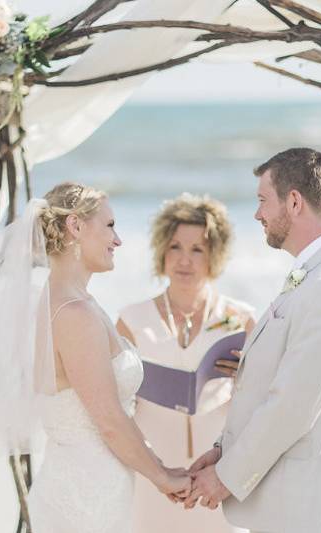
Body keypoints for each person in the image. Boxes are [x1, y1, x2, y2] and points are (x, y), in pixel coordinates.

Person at [0, 182, 192, 533]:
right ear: (75, 226)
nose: (117, 240)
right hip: (86, 496)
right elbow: (109, 421)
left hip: (89, 484)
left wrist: (159, 467)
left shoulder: (66, 302)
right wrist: (162, 476)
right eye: (109, 226)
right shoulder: (74, 313)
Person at [186, 148, 321, 533]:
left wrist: (227, 476)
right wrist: (225, 450)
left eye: (262, 201)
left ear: (293, 202)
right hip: (287, 501)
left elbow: (291, 405)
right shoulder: (315, 273)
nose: (257, 214)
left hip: (307, 508)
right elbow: (279, 379)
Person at [116, 193, 255, 533]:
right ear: (162, 250)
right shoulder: (131, 320)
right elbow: (114, 405)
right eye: (176, 246)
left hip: (216, 477)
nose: (185, 260)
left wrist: (246, 380)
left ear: (214, 256)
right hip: (153, 477)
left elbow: (261, 407)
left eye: (198, 250)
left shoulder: (241, 320)